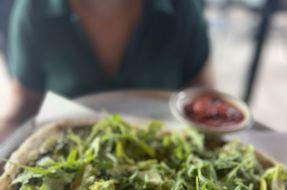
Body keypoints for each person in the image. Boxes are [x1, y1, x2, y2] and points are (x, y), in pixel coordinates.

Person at [0, 0, 212, 140]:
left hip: (171, 158)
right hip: (67, 164)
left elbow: (205, 101)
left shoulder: (182, 7)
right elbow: (22, 110)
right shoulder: (35, 9)